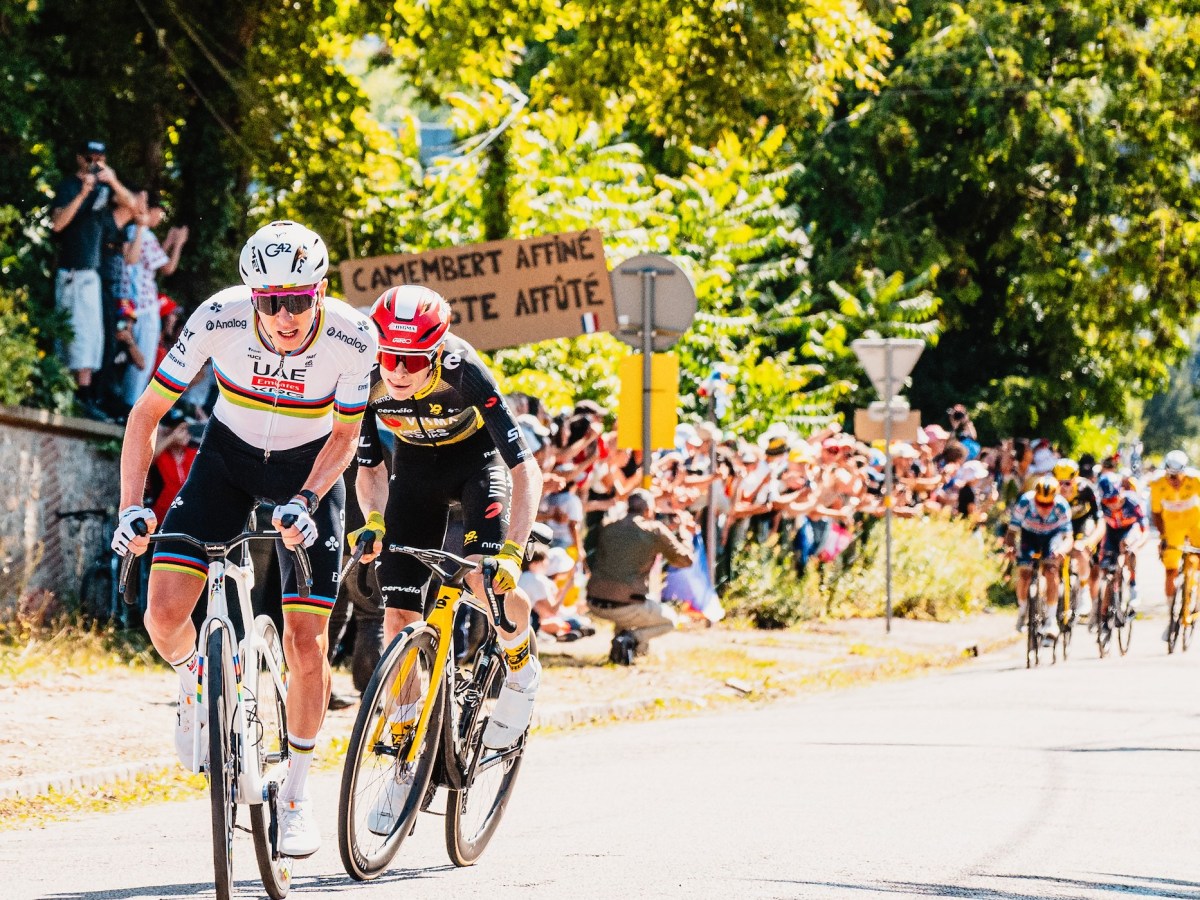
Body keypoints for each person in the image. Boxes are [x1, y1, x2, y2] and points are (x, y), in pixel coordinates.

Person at [110, 220, 376, 858]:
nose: (284, 315)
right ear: (250, 297)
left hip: (310, 468)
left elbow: (345, 438)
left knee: (305, 641)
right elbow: (147, 413)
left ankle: (296, 794)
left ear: (319, 292)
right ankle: (196, 680)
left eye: (298, 299)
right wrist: (129, 507)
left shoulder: (352, 337)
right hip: (226, 463)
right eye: (269, 301)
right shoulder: (217, 318)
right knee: (164, 612)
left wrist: (309, 500)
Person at [351, 284, 544, 832]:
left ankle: (521, 672)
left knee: (489, 587)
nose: (400, 371)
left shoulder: (466, 370)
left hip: (476, 468)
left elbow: (525, 468)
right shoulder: (363, 375)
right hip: (413, 476)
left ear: (437, 352)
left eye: (413, 360)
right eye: (391, 357)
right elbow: (369, 468)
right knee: (397, 616)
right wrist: (373, 521)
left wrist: (512, 550)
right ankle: (405, 759)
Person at [50, 139, 135, 419]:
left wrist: (113, 181)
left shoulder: (105, 188)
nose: (95, 163)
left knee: (93, 340)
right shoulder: (69, 187)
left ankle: (86, 396)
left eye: (100, 158)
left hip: (92, 272)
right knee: (77, 337)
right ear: (79, 158)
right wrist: (83, 192)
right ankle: (77, 397)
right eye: (90, 158)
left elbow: (135, 208)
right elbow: (58, 223)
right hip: (73, 270)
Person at [587, 489, 696, 664]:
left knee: (631, 602)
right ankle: (630, 638)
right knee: (670, 620)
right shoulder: (654, 530)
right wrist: (685, 534)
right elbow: (684, 560)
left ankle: (626, 651)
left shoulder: (608, 527)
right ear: (648, 511)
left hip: (594, 601)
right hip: (626, 605)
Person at [118, 189, 188, 408]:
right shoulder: (144, 234)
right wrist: (179, 244)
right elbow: (167, 268)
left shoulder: (132, 232)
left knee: (133, 357)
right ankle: (130, 405)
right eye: (159, 212)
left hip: (132, 303)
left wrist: (167, 242)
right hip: (144, 308)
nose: (160, 218)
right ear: (151, 211)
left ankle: (127, 403)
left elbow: (151, 265)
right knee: (142, 362)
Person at [1004, 475, 1072, 636]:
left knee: (1051, 571)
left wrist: (1062, 550)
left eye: (1048, 504)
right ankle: (1022, 611)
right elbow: (1012, 532)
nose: (1043, 507)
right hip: (1030, 535)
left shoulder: (1062, 506)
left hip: (1051, 536)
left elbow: (1068, 537)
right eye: (1040, 503)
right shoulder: (1025, 502)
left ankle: (1050, 620)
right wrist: (1011, 548)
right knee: (1025, 573)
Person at [1148, 450, 1200, 641]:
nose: (1174, 480)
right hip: (1173, 528)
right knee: (1170, 570)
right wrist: (1163, 537)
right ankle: (1172, 617)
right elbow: (1156, 513)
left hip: (1195, 524)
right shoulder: (1157, 484)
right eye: (1170, 476)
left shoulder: (1196, 480)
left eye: (1178, 476)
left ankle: (1196, 594)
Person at [1094, 473, 1146, 638]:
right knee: (1106, 572)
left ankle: (1133, 585)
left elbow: (1144, 532)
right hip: (1111, 532)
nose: (1112, 504)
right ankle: (1103, 616)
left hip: (1129, 530)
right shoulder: (1101, 506)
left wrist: (1136, 546)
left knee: (1128, 546)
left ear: (1121, 492)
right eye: (1107, 501)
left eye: (1114, 498)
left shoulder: (1132, 502)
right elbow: (1097, 526)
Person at [1053, 458, 1103, 620]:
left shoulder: (1086, 488)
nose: (1063, 487)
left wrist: (1092, 541)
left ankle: (1084, 590)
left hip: (1082, 522)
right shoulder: (1050, 490)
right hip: (1060, 524)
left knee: (1080, 550)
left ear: (1075, 479)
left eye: (1067, 483)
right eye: (1059, 482)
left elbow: (1099, 520)